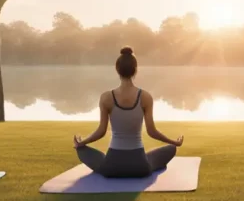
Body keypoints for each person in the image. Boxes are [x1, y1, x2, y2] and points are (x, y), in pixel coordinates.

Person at [73, 47, 184, 178]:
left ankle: (94, 156)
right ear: (135, 70)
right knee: (171, 149)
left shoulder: (106, 97)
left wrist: (83, 142)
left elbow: (101, 131)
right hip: (140, 167)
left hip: (111, 167)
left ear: (117, 69)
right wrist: (174, 142)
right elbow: (152, 131)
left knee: (81, 150)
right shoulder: (145, 97)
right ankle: (151, 158)